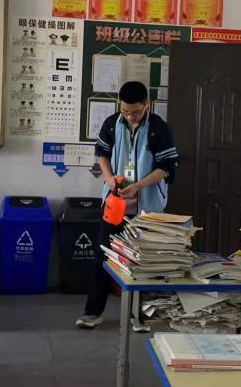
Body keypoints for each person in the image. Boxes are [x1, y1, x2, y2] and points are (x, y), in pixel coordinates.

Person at [76, 81, 178, 329]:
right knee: (102, 257)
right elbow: (102, 154)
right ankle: (92, 312)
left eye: (135, 111)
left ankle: (140, 316)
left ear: (146, 105)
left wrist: (139, 185)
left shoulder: (159, 129)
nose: (130, 116)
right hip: (115, 206)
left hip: (147, 206)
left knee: (143, 263)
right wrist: (109, 178)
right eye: (125, 111)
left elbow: (166, 168)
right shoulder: (112, 123)